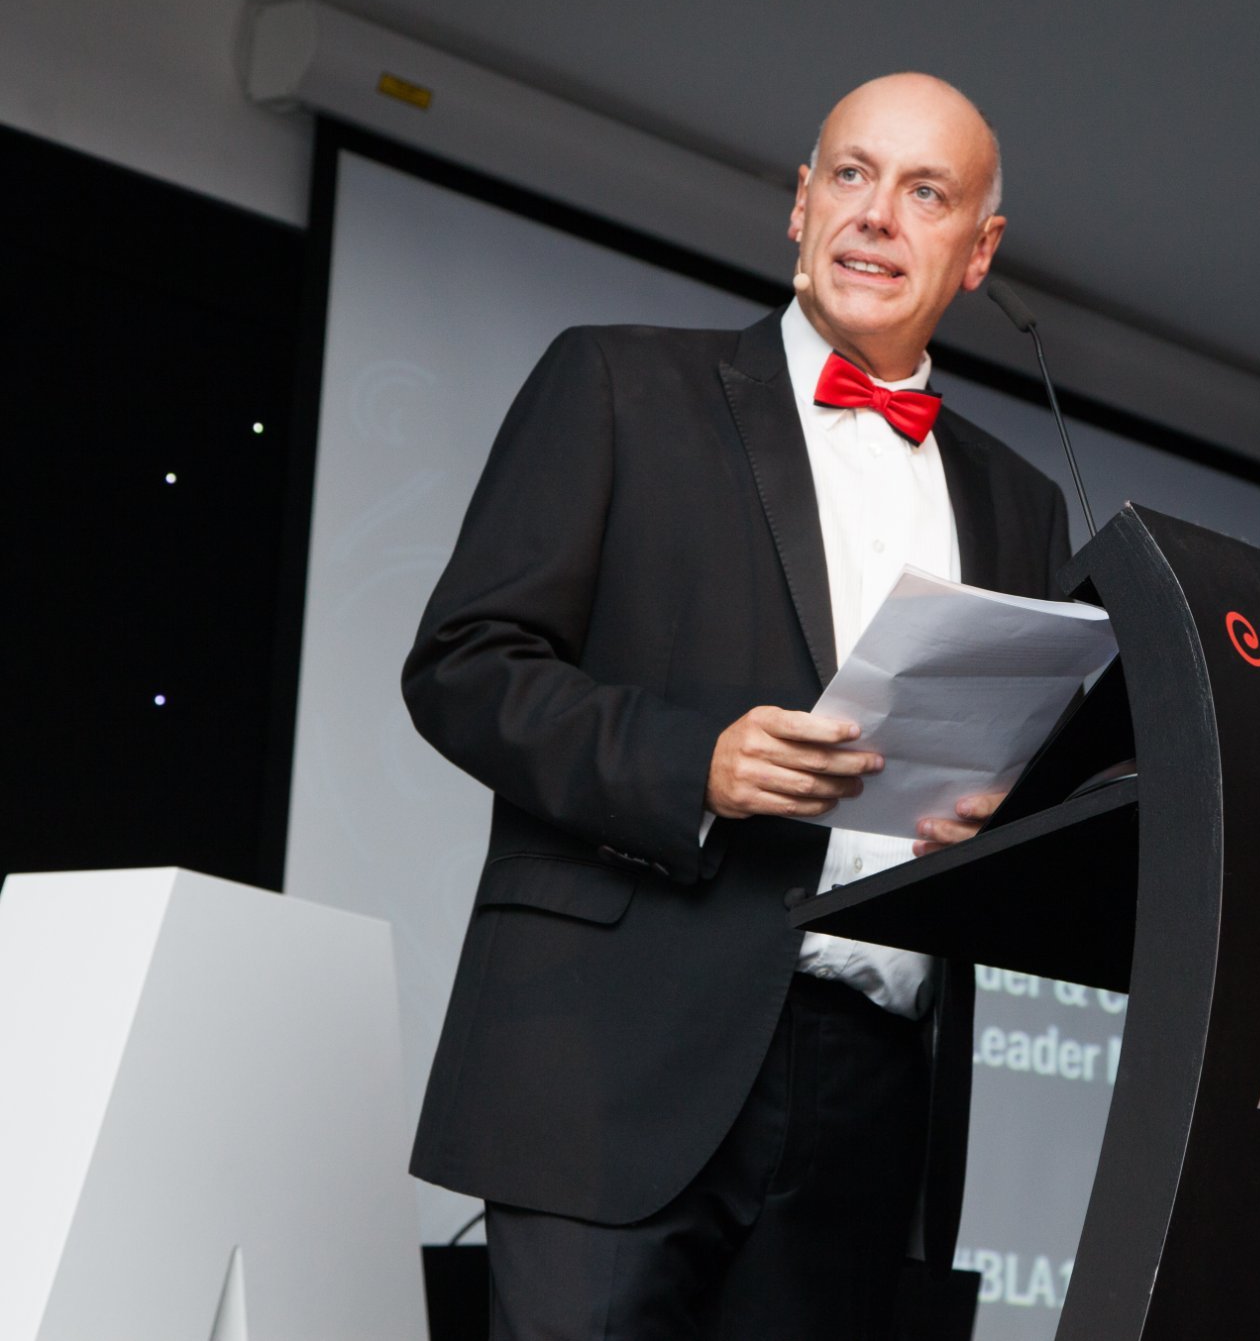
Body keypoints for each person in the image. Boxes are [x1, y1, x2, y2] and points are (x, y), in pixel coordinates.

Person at [401, 73, 1071, 1339]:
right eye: (852, 174)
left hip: (872, 1092)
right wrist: (688, 763)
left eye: (923, 193)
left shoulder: (1022, 503)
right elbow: (464, 664)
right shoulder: (612, 385)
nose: (875, 215)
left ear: (977, 253)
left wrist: (1004, 837)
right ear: (799, 201)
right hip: (615, 1055)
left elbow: (1021, 782)